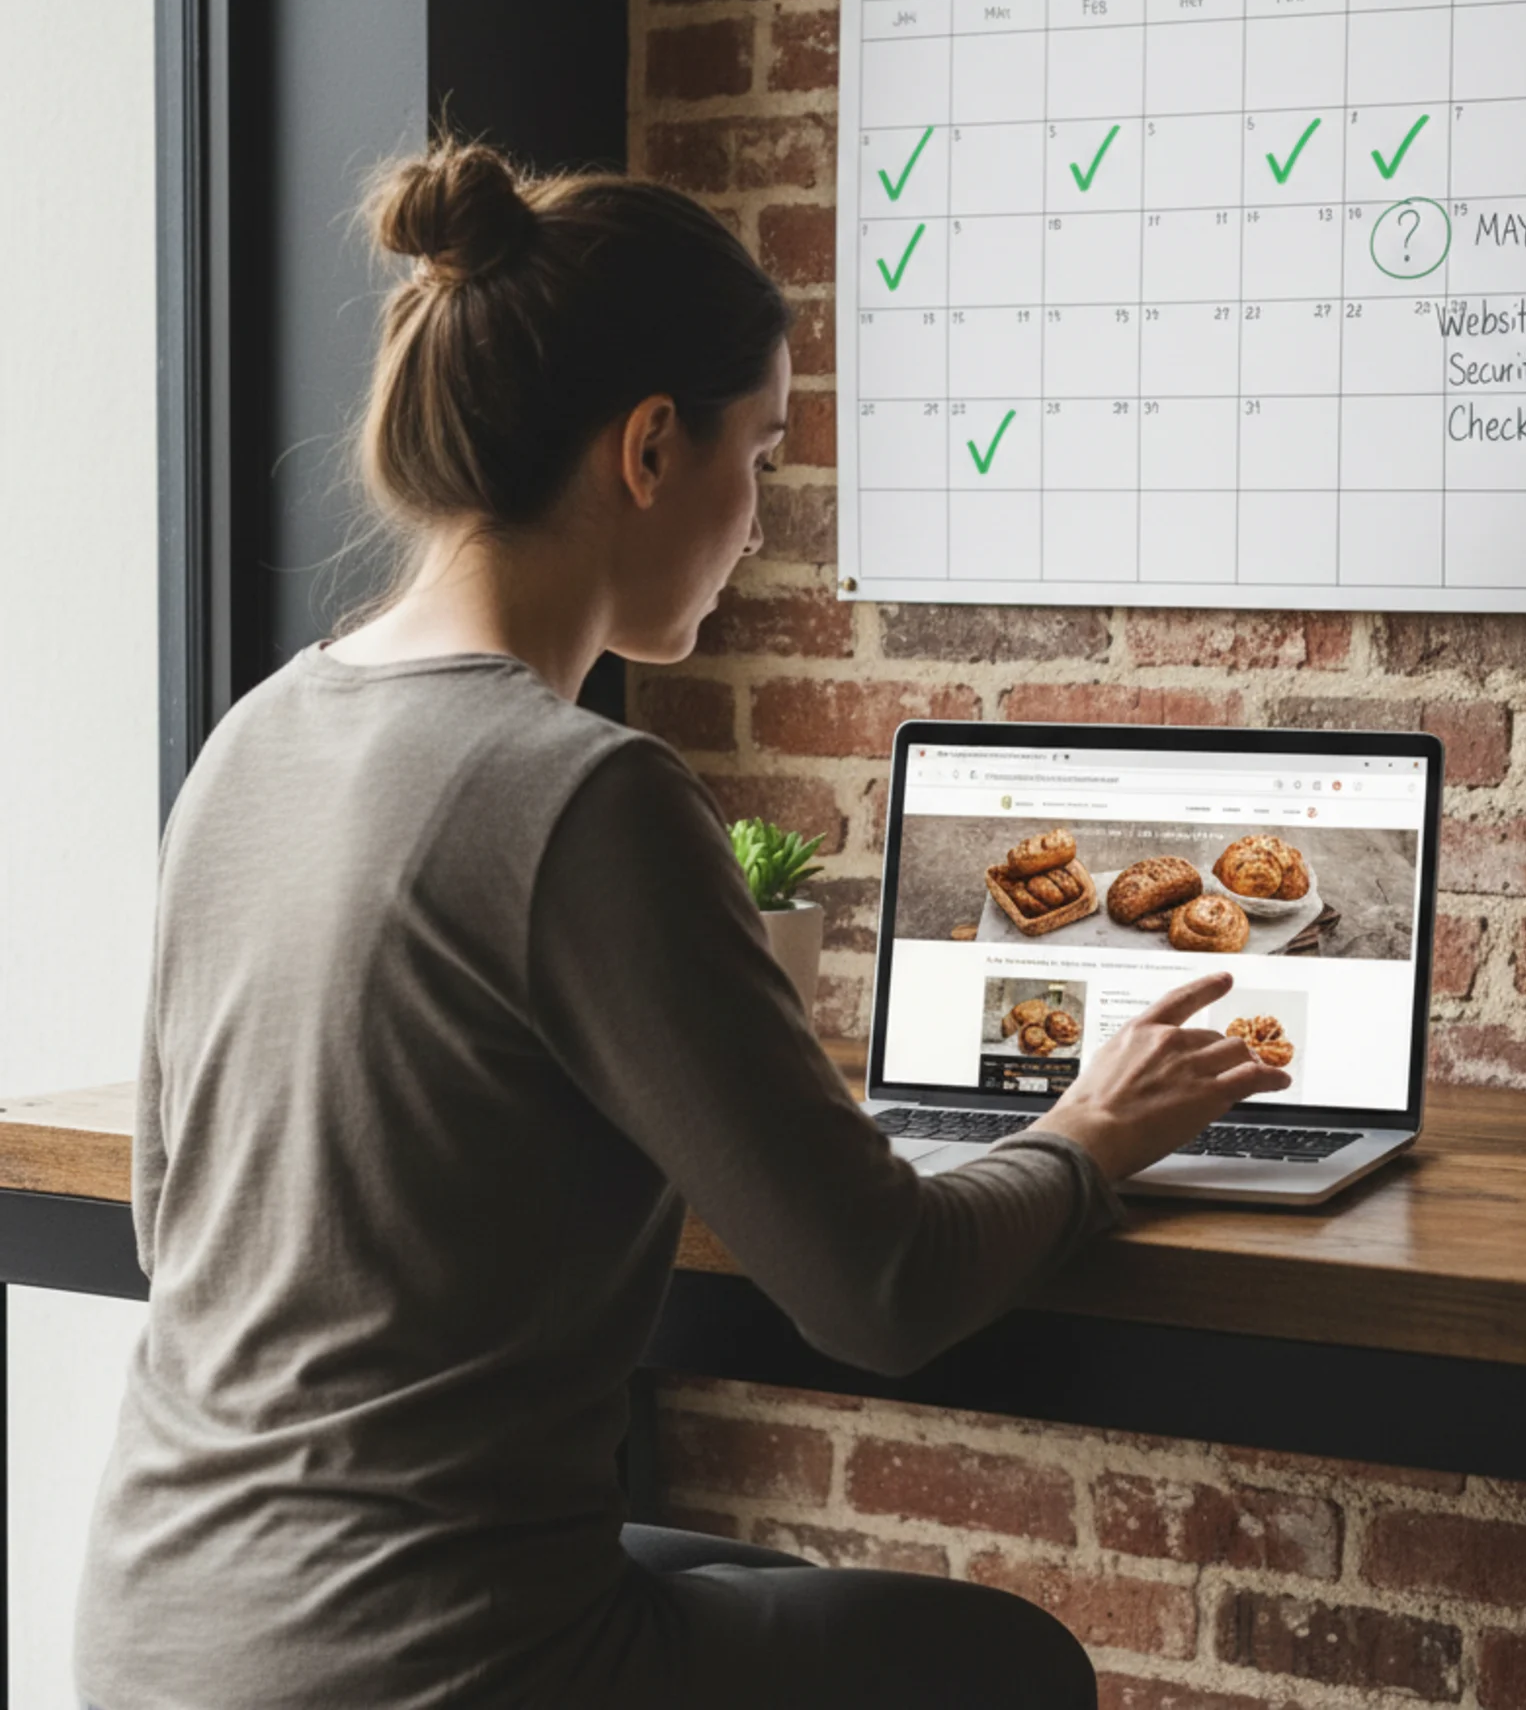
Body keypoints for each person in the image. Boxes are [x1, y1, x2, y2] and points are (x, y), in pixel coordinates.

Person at [74, 141, 1290, 1710]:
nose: (763, 520)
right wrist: (1090, 1133)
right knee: (1007, 1667)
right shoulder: (583, 793)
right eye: (764, 454)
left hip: (159, 1632)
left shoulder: (257, 734)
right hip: (408, 1667)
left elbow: (168, 1223)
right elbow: (883, 1290)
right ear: (650, 450)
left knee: (761, 1586)